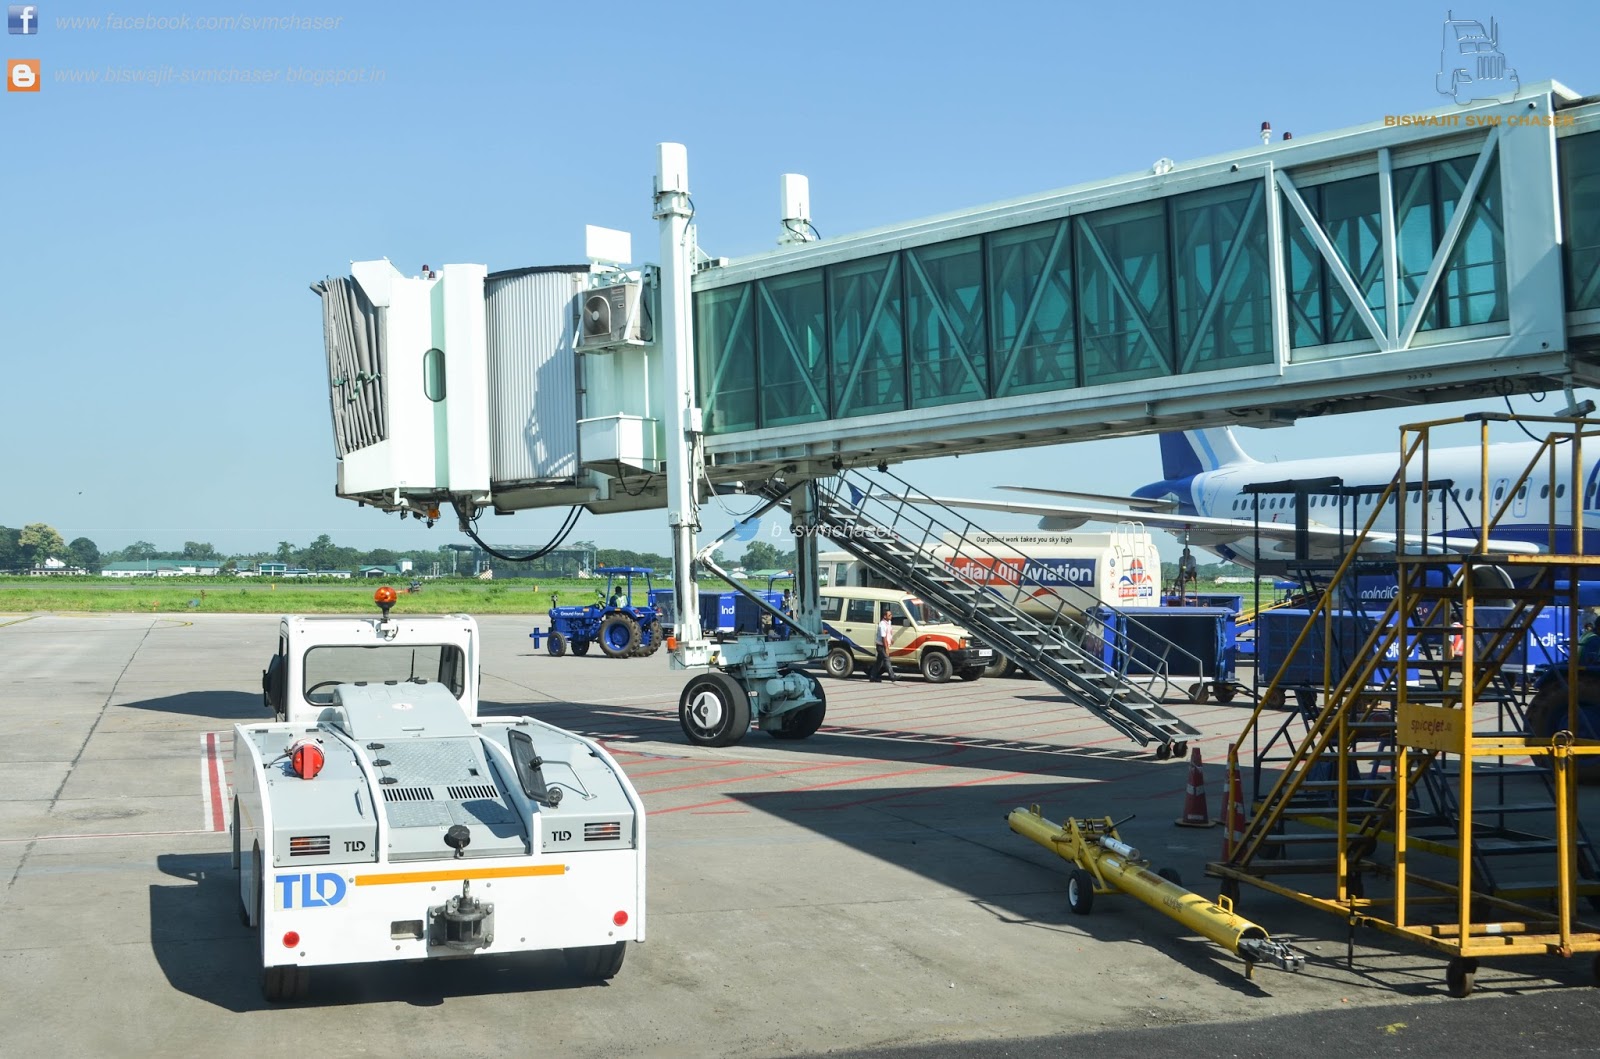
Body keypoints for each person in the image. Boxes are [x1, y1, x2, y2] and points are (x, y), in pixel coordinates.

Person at [869, 606, 897, 682]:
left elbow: (889, 632)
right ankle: (892, 676)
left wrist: (891, 639)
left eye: (891, 615)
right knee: (886, 659)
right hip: (881, 646)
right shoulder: (882, 625)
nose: (891, 616)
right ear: (885, 616)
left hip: (885, 644)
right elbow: (883, 637)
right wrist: (886, 648)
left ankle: (872, 676)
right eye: (889, 615)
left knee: (879, 662)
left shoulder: (889, 622)